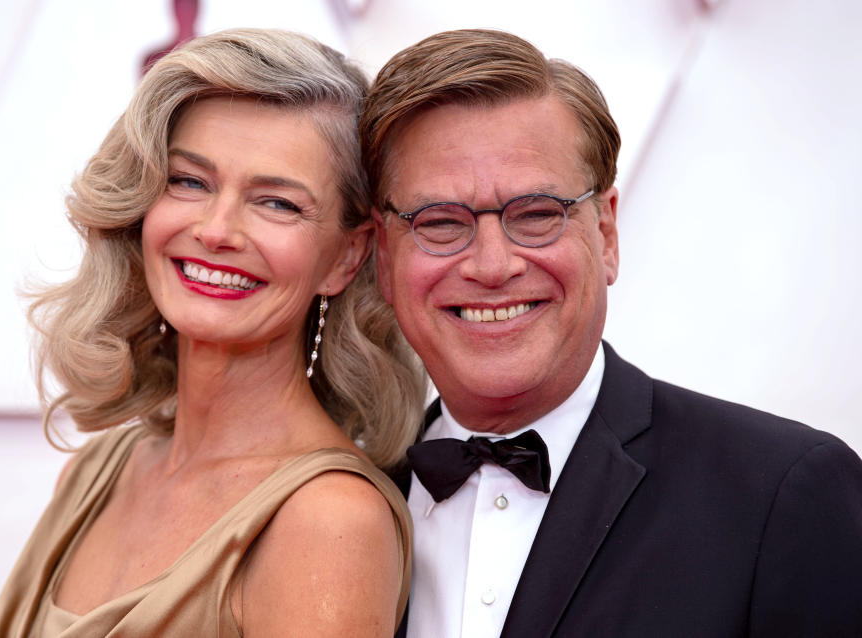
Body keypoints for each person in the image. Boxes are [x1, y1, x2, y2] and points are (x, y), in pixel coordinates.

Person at [360, 28, 862, 638]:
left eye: (537, 215)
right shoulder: (345, 496)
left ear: (605, 235)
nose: (492, 266)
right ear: (384, 258)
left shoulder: (782, 495)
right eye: (439, 223)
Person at [0, 28, 428, 637]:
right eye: (189, 182)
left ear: (345, 259)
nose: (217, 229)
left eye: (276, 203)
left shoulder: (329, 521)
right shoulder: (94, 471)